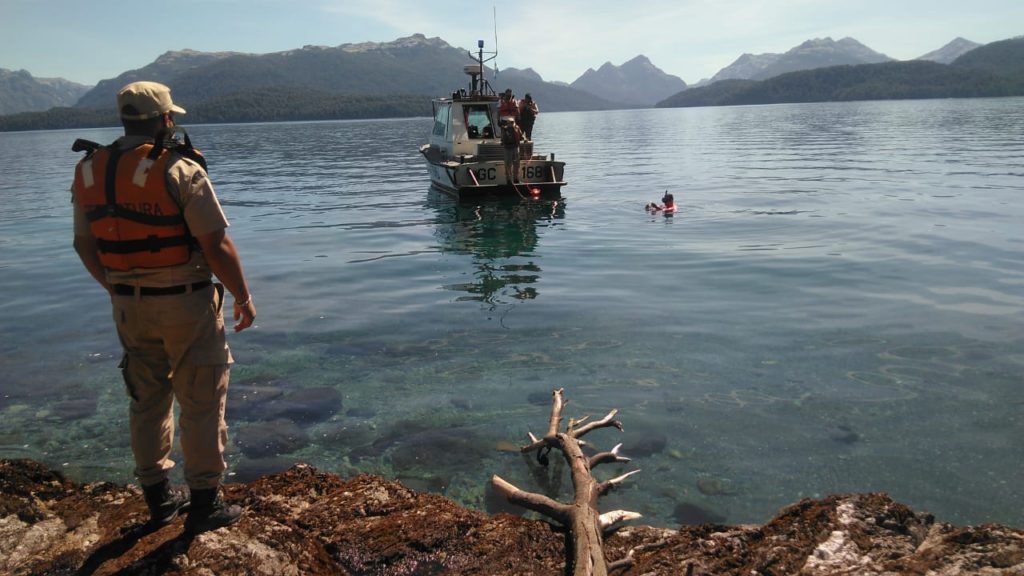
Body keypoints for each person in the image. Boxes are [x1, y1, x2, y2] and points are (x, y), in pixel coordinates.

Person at [71, 81, 255, 534]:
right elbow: (216, 244)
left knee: (146, 399)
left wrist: (116, 288)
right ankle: (205, 502)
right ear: (166, 119)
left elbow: (82, 244)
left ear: (125, 119)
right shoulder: (178, 168)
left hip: (128, 305)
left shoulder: (89, 169)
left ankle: (157, 497)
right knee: (202, 399)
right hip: (184, 302)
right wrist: (243, 297)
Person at [500, 118, 524, 184]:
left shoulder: (517, 128)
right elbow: (502, 138)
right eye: (510, 122)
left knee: (516, 164)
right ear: (507, 123)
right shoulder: (504, 129)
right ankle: (509, 180)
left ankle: (516, 179)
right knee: (508, 164)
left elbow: (521, 136)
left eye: (512, 122)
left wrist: (524, 139)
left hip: (515, 148)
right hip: (507, 148)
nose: (511, 123)